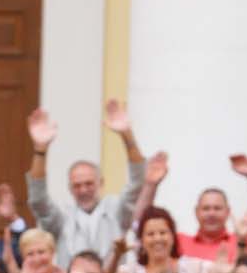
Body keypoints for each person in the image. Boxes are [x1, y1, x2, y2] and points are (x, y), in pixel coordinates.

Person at [24, 99, 154, 261]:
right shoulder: (62, 218)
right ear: (70, 189)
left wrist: (127, 135)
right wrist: (40, 150)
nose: (83, 190)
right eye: (77, 186)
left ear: (101, 183)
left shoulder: (116, 210)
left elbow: (137, 183)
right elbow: (38, 200)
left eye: (89, 184)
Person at [173, 158, 247, 271]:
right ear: (196, 212)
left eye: (217, 208)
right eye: (206, 208)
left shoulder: (243, 240)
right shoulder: (178, 243)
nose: (211, 213)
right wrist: (158, 182)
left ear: (228, 211)